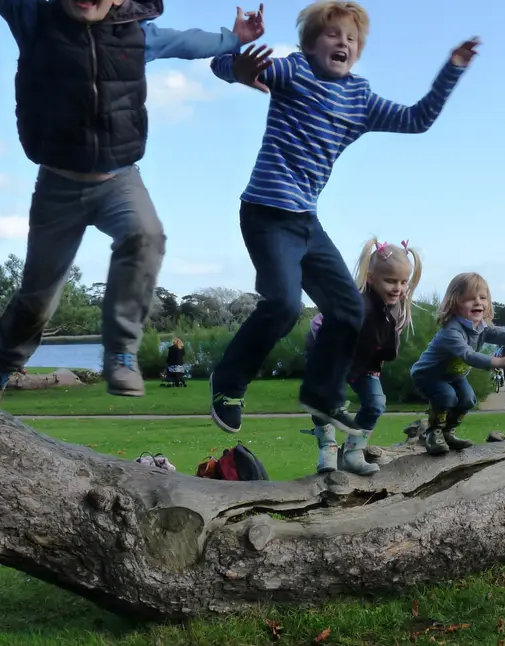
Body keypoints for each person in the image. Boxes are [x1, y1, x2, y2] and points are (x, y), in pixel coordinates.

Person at [0, 0, 265, 417]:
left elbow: (187, 42)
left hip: (119, 180)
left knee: (146, 235)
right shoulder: (36, 18)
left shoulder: (137, 33)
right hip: (58, 186)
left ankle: (121, 352)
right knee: (38, 298)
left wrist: (234, 38)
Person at [205, 0, 479, 435]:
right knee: (283, 305)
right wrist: (237, 68)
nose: (343, 43)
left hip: (305, 222)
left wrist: (453, 69)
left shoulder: (360, 98)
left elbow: (417, 119)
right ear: (311, 44)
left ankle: (321, 393)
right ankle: (228, 383)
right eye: (333, 34)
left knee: (349, 308)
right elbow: (223, 65)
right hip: (266, 213)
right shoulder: (294, 70)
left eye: (351, 39)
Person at [302, 238, 422, 475]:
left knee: (376, 403)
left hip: (365, 363)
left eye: (403, 282)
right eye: (390, 281)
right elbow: (319, 324)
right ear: (370, 277)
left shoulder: (397, 308)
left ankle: (353, 451)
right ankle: (327, 446)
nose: (398, 288)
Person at [410, 273, 505, 456]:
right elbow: (468, 355)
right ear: (455, 303)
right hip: (428, 375)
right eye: (470, 299)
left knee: (468, 400)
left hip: (453, 376)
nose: (478, 302)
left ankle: (448, 432)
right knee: (447, 397)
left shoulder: (481, 328)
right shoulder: (451, 331)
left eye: (483, 298)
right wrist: (500, 362)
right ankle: (433, 432)